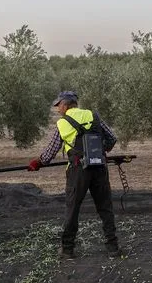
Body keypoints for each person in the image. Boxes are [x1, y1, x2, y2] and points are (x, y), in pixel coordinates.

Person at [27, 91, 122, 259]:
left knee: (72, 208)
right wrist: (101, 151)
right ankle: (113, 247)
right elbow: (112, 138)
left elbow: (50, 153)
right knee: (105, 207)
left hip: (78, 171)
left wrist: (37, 163)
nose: (58, 109)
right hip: (99, 167)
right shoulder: (93, 115)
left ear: (65, 104)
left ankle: (67, 249)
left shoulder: (63, 123)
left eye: (59, 106)